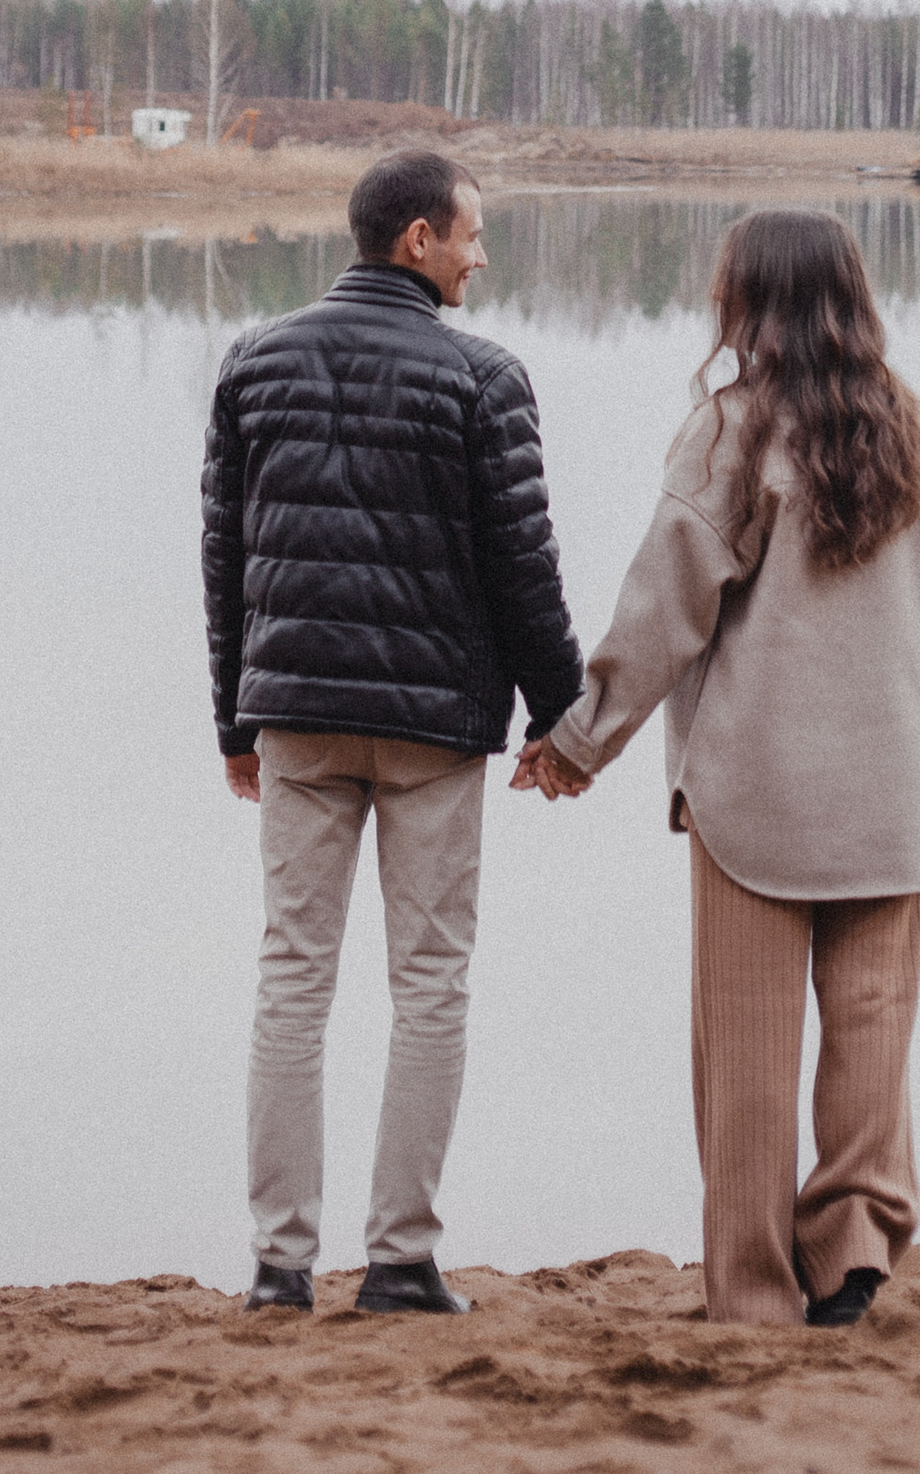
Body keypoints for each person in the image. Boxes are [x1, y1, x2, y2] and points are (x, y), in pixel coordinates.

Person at [517, 208, 920, 1329]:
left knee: (748, 1059)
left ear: (746, 301)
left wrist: (581, 739)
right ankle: (856, 1240)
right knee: (871, 1028)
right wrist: (909, 711)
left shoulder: (731, 427)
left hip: (754, 791)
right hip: (886, 787)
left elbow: (667, 599)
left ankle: (759, 1294)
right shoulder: (911, 426)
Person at [203, 144, 582, 1316]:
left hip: (297, 718)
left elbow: (226, 561)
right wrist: (562, 719)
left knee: (291, 980)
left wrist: (234, 719)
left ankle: (278, 1265)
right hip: (429, 728)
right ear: (416, 239)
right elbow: (524, 568)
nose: (482, 254)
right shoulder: (483, 379)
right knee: (429, 982)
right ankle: (403, 1259)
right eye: (470, 233)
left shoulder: (254, 362)